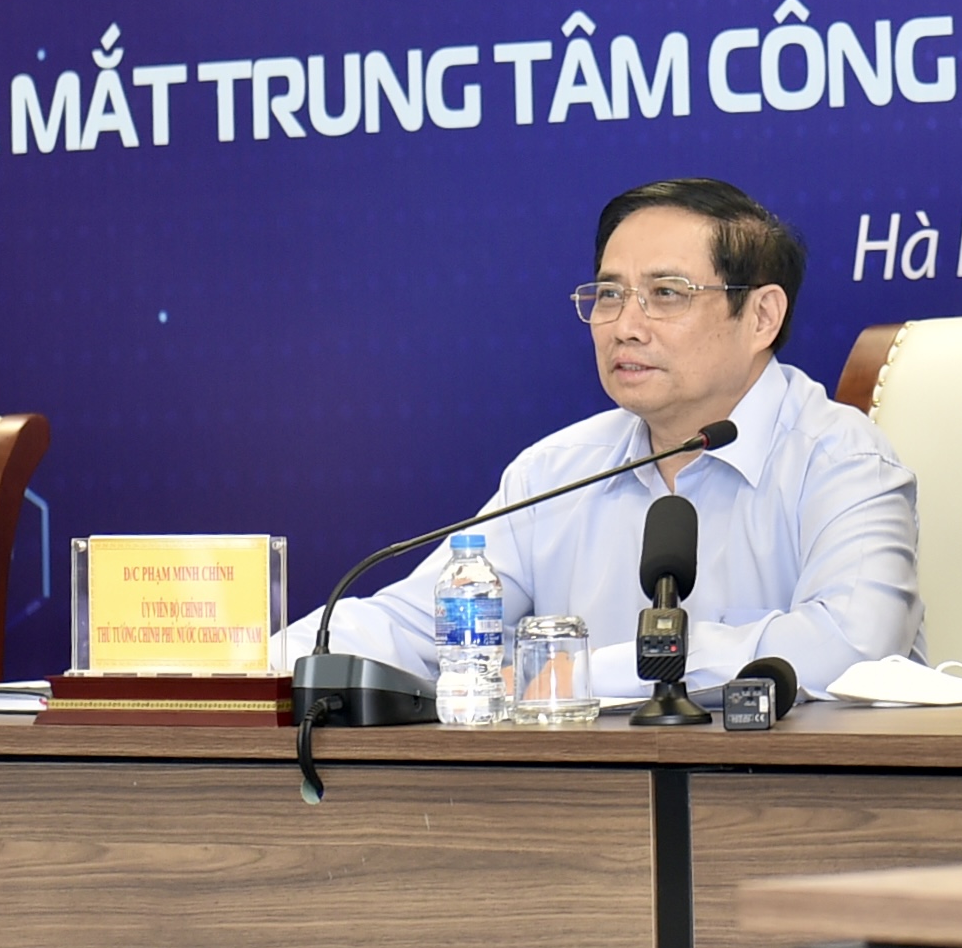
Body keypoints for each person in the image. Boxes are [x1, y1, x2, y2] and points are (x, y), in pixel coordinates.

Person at [282, 178, 921, 700]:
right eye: (609, 294)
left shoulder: (842, 461)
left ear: (761, 316)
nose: (625, 325)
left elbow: (852, 649)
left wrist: (586, 674)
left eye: (666, 294)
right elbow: (417, 627)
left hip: (800, 804)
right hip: (590, 803)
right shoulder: (556, 470)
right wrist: (256, 663)